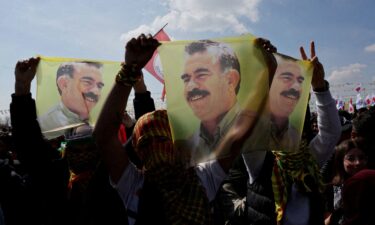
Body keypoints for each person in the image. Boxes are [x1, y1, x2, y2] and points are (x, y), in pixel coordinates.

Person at [94, 34, 264, 225]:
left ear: (176, 144)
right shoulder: (133, 184)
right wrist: (129, 70)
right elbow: (104, 136)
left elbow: (240, 130)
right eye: (148, 143)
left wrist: (267, 71)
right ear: (138, 151)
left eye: (163, 141)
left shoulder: (202, 179)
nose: (157, 149)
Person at [214, 41, 342, 225]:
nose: (278, 127)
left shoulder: (307, 161)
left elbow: (331, 133)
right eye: (273, 121)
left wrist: (320, 87)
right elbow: (251, 120)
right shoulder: (260, 160)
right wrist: (264, 70)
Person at [180, 39, 276, 164]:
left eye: (201, 75)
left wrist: (272, 70)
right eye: (186, 79)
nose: (191, 86)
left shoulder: (263, 130)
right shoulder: (187, 146)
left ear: (231, 80)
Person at [38, 61, 104, 140]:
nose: (96, 92)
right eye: (87, 82)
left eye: (99, 86)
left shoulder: (101, 122)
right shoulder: (44, 126)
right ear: (64, 84)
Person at [325, 138, 368, 225]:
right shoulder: (330, 189)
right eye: (351, 159)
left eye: (361, 158)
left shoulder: (370, 184)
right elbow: (326, 222)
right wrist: (342, 208)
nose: (358, 163)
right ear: (341, 161)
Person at [269, 53, 306, 151]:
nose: (297, 87)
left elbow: (329, 136)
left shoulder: (296, 137)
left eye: (300, 81)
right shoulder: (248, 130)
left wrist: (320, 88)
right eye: (287, 78)